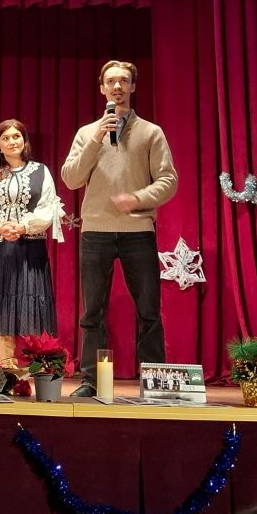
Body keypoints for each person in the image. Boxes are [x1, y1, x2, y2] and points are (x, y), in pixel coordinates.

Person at [61, 60, 178, 397]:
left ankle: (155, 384)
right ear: (102, 88)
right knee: (92, 312)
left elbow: (168, 180)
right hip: (96, 231)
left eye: (124, 81)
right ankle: (91, 381)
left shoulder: (151, 132)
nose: (117, 86)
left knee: (148, 310)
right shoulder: (87, 133)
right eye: (111, 81)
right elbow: (71, 178)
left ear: (132, 87)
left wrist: (138, 198)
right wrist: (97, 138)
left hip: (137, 230)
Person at [0, 119, 64, 369]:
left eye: (16, 136)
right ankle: (7, 365)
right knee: (1, 304)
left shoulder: (41, 171)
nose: (12, 142)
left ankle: (37, 365)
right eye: (6, 138)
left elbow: (48, 207)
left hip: (29, 246)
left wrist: (23, 227)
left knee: (29, 301)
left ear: (24, 140)